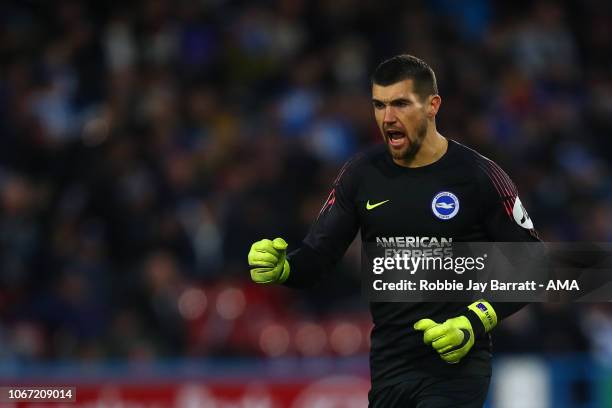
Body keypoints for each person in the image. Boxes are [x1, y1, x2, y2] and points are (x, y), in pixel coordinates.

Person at [247, 54, 540, 407]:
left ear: (433, 106)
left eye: (400, 104)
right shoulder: (361, 173)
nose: (388, 118)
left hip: (456, 368)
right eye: (379, 105)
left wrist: (474, 321)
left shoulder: (478, 175)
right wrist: (285, 268)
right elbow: (319, 256)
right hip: (389, 366)